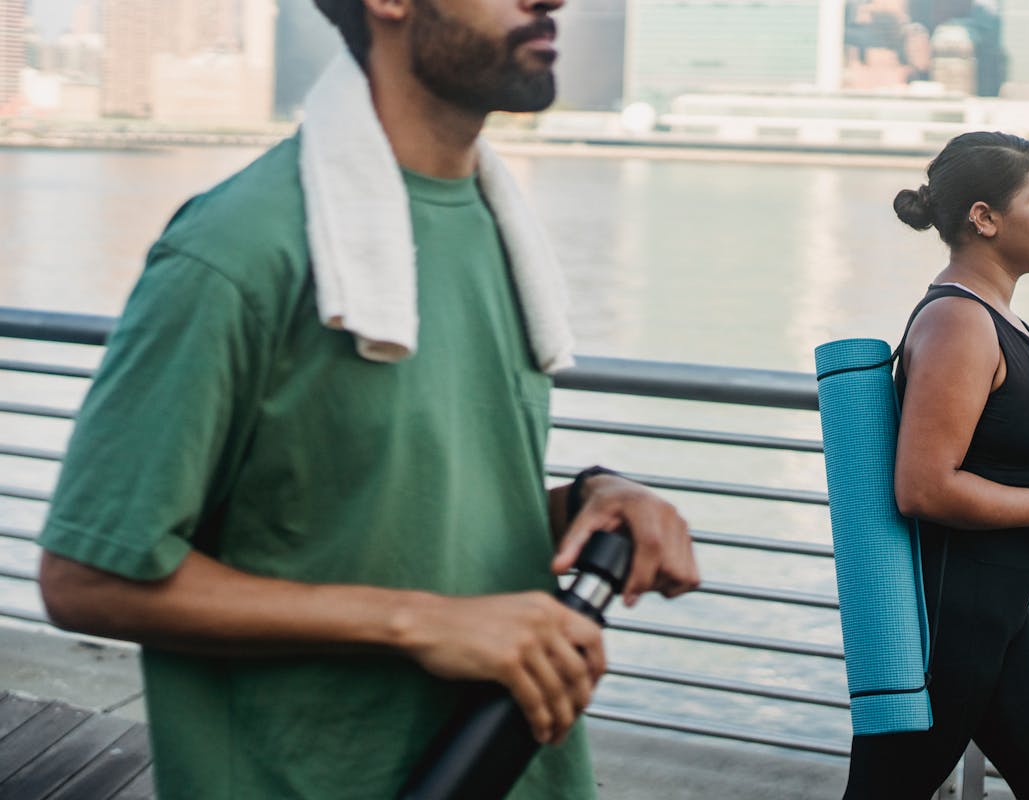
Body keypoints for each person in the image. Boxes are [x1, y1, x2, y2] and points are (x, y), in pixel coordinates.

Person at [36, 0, 699, 798]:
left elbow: (389, 513)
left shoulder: (497, 228)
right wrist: (418, 622)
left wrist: (595, 497)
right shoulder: (235, 250)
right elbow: (85, 576)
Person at [841, 131, 1029, 799]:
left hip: (1000, 615)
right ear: (984, 218)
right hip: (946, 624)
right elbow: (924, 486)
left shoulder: (995, 316)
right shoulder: (960, 323)